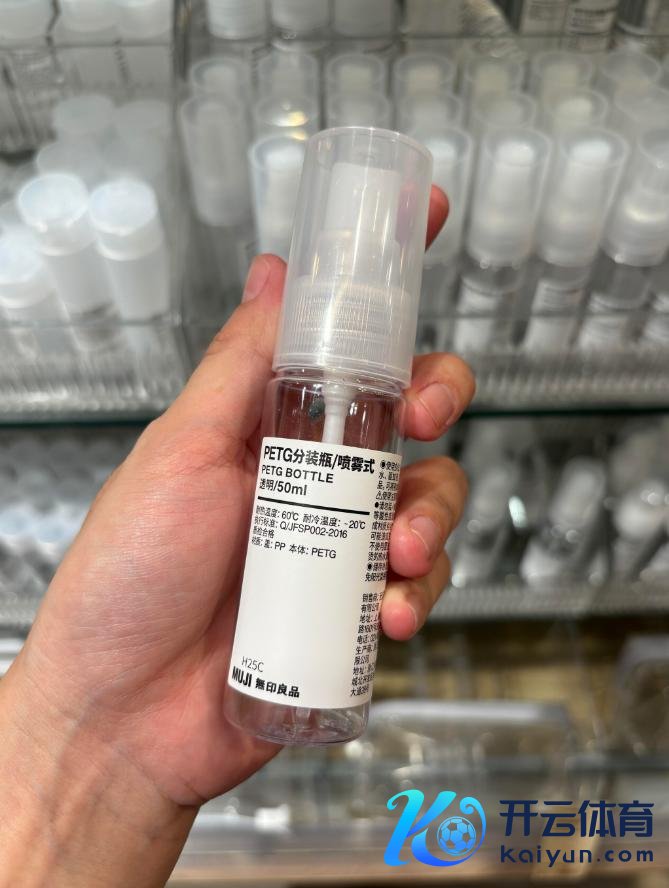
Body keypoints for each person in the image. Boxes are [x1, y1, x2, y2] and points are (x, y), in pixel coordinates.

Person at [0, 187, 474, 886]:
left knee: (395, 532)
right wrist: (92, 733)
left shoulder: (375, 395)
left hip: (309, 684)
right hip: (231, 685)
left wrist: (95, 756)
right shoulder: (291, 386)